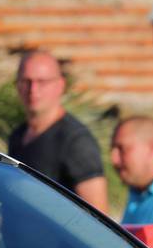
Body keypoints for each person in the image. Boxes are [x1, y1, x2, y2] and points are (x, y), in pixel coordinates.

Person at [8, 50, 108, 214]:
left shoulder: (75, 141)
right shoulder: (17, 136)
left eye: (42, 82)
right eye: (26, 81)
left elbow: (99, 218)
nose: (33, 89)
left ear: (61, 85)